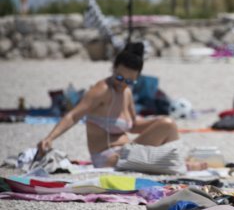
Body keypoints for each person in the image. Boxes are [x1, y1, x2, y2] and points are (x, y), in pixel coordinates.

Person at [35, 42, 179, 167]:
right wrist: (50, 138)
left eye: (129, 81)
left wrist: (157, 121)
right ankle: (179, 164)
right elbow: (74, 115)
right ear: (114, 68)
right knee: (168, 140)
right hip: (108, 158)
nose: (123, 84)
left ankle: (177, 163)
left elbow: (133, 126)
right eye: (120, 77)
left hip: (126, 152)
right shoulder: (102, 89)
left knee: (169, 125)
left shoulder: (126, 92)